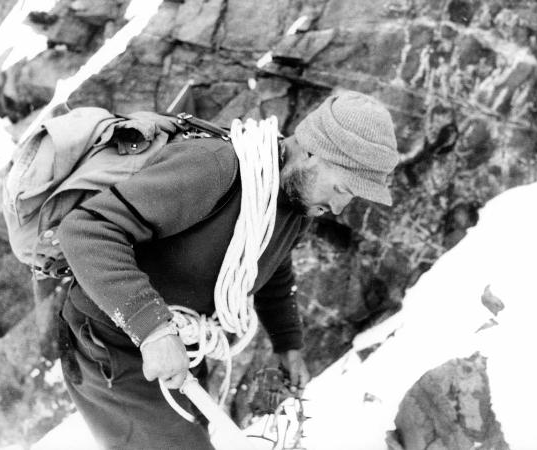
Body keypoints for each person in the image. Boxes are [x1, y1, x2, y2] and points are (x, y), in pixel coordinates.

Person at [57, 90, 400, 449]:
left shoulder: (295, 203)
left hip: (176, 345)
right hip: (108, 346)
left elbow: (269, 263)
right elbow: (86, 230)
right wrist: (154, 330)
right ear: (313, 151)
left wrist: (288, 344)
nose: (340, 207)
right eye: (342, 188)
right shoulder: (215, 167)